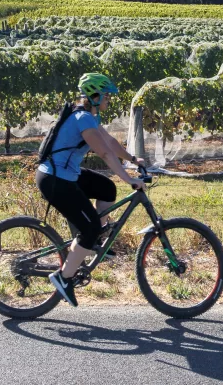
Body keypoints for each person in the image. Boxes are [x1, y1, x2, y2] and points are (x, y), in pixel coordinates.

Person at [35, 73, 146, 307]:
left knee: (106, 188)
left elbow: (111, 143)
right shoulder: (83, 118)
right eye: (107, 96)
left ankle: (92, 242)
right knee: (91, 227)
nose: (109, 100)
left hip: (65, 174)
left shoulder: (88, 117)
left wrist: (133, 159)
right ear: (95, 97)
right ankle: (64, 277)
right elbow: (104, 153)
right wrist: (129, 179)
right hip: (55, 180)